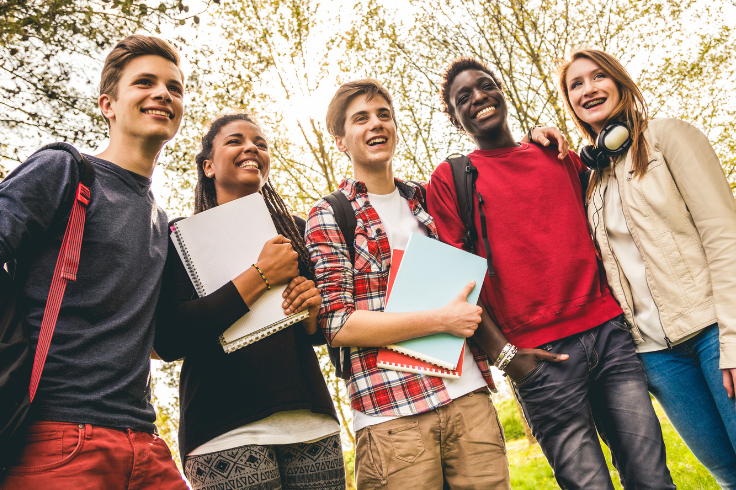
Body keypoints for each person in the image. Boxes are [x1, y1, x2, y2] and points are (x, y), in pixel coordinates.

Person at [0, 35, 188, 489]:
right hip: (59, 442)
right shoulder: (65, 170)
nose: (163, 94)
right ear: (108, 104)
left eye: (175, 87)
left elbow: (154, 341)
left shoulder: (160, 220)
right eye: (144, 82)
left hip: (147, 448)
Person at [557, 48, 736, 490]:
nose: (589, 89)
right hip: (659, 359)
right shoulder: (593, 181)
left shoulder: (669, 138)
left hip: (718, 333)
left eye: (598, 76)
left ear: (620, 83)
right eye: (575, 85)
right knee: (734, 482)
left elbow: (725, 238)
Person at [426, 57, 676, 490]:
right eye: (463, 97)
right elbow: (454, 285)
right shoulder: (451, 179)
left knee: (652, 478)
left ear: (501, 90)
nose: (478, 98)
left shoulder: (556, 155)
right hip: (540, 360)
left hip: (609, 336)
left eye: (485, 86)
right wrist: (507, 357)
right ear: (453, 116)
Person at [306, 78, 567, 490]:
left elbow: (501, 183)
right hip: (392, 419)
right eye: (361, 119)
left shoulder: (428, 198)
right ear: (340, 140)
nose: (376, 124)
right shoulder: (330, 215)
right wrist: (440, 320)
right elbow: (336, 324)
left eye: (383, 115)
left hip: (469, 400)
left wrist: (534, 141)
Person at [153, 113, 346, 490]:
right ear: (207, 165)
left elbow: (317, 332)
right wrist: (260, 275)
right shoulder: (179, 237)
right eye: (235, 140)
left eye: (260, 143)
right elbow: (169, 338)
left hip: (310, 421)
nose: (251, 148)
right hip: (223, 430)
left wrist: (312, 309)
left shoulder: (296, 229)